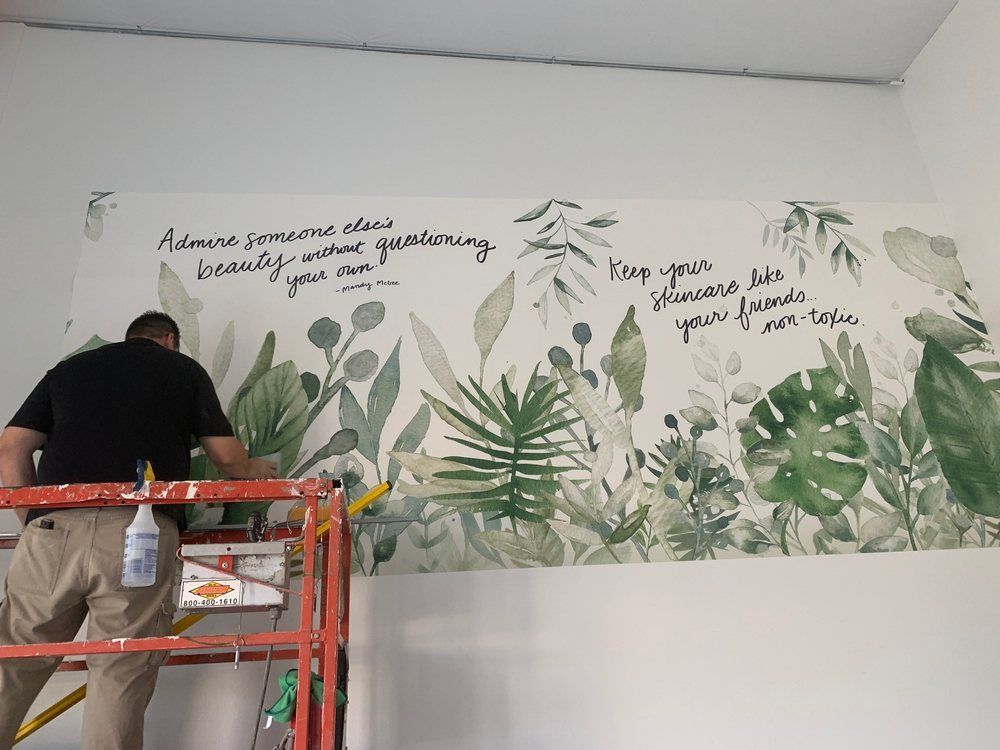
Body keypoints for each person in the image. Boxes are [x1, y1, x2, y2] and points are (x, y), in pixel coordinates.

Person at [0, 310, 277, 750]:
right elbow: (228, 459)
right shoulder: (182, 369)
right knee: (121, 667)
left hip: (53, 528)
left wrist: (35, 522)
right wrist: (257, 468)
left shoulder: (68, 370)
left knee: (14, 658)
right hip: (138, 534)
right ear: (169, 340)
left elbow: (12, 447)